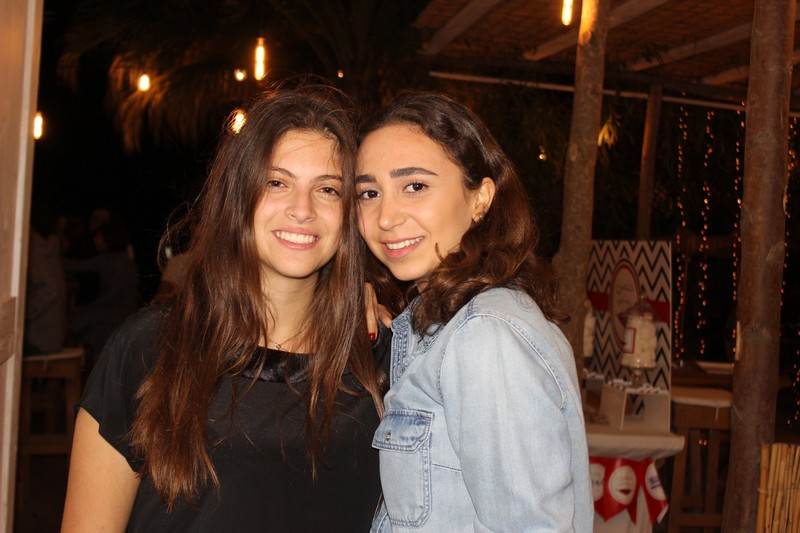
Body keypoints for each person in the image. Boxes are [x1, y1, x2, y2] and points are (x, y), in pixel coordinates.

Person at [61, 82, 389, 532]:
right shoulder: (150, 348)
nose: (302, 209)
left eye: (328, 189)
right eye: (277, 182)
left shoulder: (381, 363)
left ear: (351, 212)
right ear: (239, 196)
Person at [355, 91, 592, 531]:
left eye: (415, 186)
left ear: (480, 199)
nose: (385, 217)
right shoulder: (441, 324)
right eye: (369, 193)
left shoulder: (485, 335)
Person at [63, 216, 140, 362]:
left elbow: (112, 297)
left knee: (82, 319)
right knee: (80, 317)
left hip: (120, 311)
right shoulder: (107, 259)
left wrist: (89, 308)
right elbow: (78, 266)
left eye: (99, 237)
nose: (95, 240)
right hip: (109, 308)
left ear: (109, 238)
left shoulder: (122, 263)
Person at [23, 202, 67, 355]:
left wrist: (23, 312)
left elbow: (51, 290)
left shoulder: (35, 251)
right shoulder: (43, 247)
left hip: (40, 339)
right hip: (48, 335)